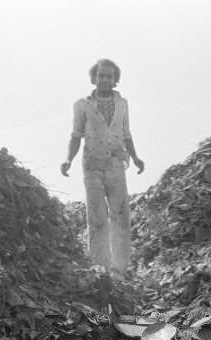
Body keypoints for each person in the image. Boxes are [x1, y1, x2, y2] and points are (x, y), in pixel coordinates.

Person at [61, 58, 144, 279]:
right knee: (97, 218)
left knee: (121, 216)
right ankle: (101, 269)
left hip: (116, 165)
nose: (105, 79)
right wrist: (68, 159)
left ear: (115, 79)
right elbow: (76, 135)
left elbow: (126, 134)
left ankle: (120, 269)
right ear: (94, 78)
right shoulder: (83, 105)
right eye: (101, 75)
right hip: (93, 167)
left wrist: (136, 157)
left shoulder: (122, 104)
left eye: (109, 76)